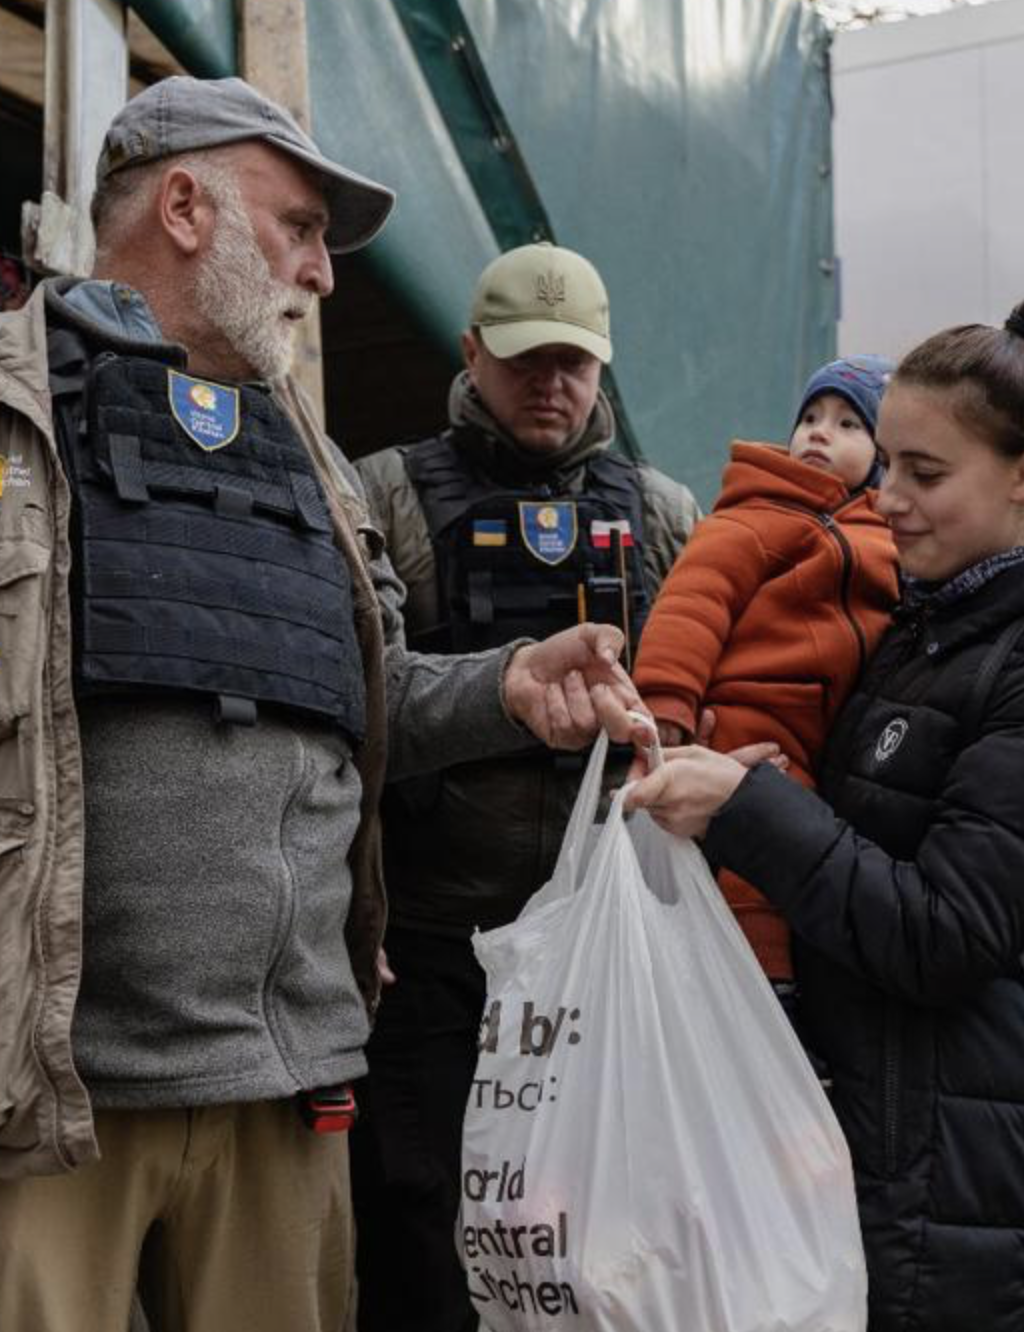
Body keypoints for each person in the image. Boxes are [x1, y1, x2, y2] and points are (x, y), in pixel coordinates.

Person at [0, 76, 640, 1332]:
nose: (322, 273)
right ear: (188, 204)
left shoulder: (310, 461)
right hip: (23, 1101)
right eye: (300, 227)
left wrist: (502, 689)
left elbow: (355, 702)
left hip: (283, 1089)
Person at [615, 294, 1024, 1332]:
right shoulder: (942, 623)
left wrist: (750, 807)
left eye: (924, 475)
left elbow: (943, 933)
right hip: (861, 1133)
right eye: (885, 466)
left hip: (939, 1181)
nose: (885, 499)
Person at [349, 242, 699, 1331]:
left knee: (596, 1224)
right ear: (471, 354)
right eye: (523, 360)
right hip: (436, 947)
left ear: (604, 366)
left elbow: (703, 707)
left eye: (573, 362)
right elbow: (350, 717)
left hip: (599, 951)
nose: (549, 383)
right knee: (420, 1218)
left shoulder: (662, 509)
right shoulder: (386, 492)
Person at [631, 355, 898, 985]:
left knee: (795, 851)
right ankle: (765, 987)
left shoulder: (884, 535)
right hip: (749, 712)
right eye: (809, 417)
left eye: (848, 424)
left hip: (821, 732)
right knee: (759, 861)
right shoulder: (757, 510)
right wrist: (667, 703)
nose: (819, 433)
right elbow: (695, 599)